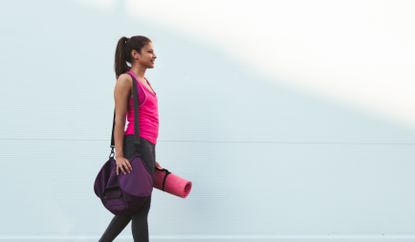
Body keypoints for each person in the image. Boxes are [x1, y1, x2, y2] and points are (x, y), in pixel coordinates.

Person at [99, 35, 162, 242]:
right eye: (150, 51)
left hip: (146, 148)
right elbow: (119, 120)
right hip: (134, 146)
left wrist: (151, 159)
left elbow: (150, 122)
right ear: (135, 55)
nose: (155, 56)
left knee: (136, 205)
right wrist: (119, 155)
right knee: (140, 206)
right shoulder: (126, 80)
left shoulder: (146, 81)